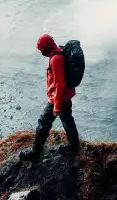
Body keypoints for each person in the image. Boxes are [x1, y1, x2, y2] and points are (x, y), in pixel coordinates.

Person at [20, 34, 80, 162]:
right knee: (68, 121)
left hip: (58, 98)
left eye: (41, 49)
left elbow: (59, 83)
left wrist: (57, 106)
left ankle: (36, 153)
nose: (40, 52)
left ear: (46, 48)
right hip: (65, 96)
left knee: (43, 123)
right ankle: (74, 146)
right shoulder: (59, 51)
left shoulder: (55, 60)